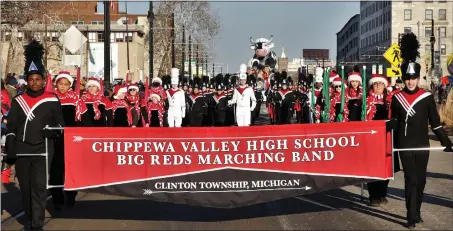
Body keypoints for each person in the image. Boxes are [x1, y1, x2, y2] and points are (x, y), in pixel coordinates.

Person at [391, 32, 453, 229]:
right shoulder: (396, 98)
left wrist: (446, 141)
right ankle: (411, 215)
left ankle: (417, 211)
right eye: (407, 78)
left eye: (413, 78)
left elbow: (435, 123)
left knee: (422, 180)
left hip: (422, 145)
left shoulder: (426, 97)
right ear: (403, 78)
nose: (410, 82)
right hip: (405, 146)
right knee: (412, 180)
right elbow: (393, 121)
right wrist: (390, 126)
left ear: (418, 78)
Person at [2, 39, 64, 231]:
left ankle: (37, 224)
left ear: (43, 81)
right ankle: (29, 218)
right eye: (31, 79)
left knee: (39, 188)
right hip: (22, 151)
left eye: (38, 79)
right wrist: (11, 148)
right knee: (26, 189)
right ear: (27, 81)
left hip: (43, 150)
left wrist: (51, 131)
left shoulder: (52, 99)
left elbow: (61, 125)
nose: (35, 82)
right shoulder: (19, 100)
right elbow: (11, 126)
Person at [50, 71, 88, 209]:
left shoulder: (76, 99)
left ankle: (71, 196)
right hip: (55, 138)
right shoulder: (51, 98)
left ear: (70, 85)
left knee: (72, 168)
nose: (62, 87)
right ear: (56, 84)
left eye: (65, 84)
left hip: (72, 139)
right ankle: (57, 199)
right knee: (56, 169)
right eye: (60, 84)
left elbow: (85, 119)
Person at [365, 74, 398, 207]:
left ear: (385, 86)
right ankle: (373, 196)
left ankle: (383, 193)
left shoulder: (391, 100)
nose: (378, 86)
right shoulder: (365, 100)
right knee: (372, 167)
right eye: (375, 84)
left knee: (387, 165)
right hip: (371, 138)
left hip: (387, 137)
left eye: (381, 84)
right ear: (371, 86)